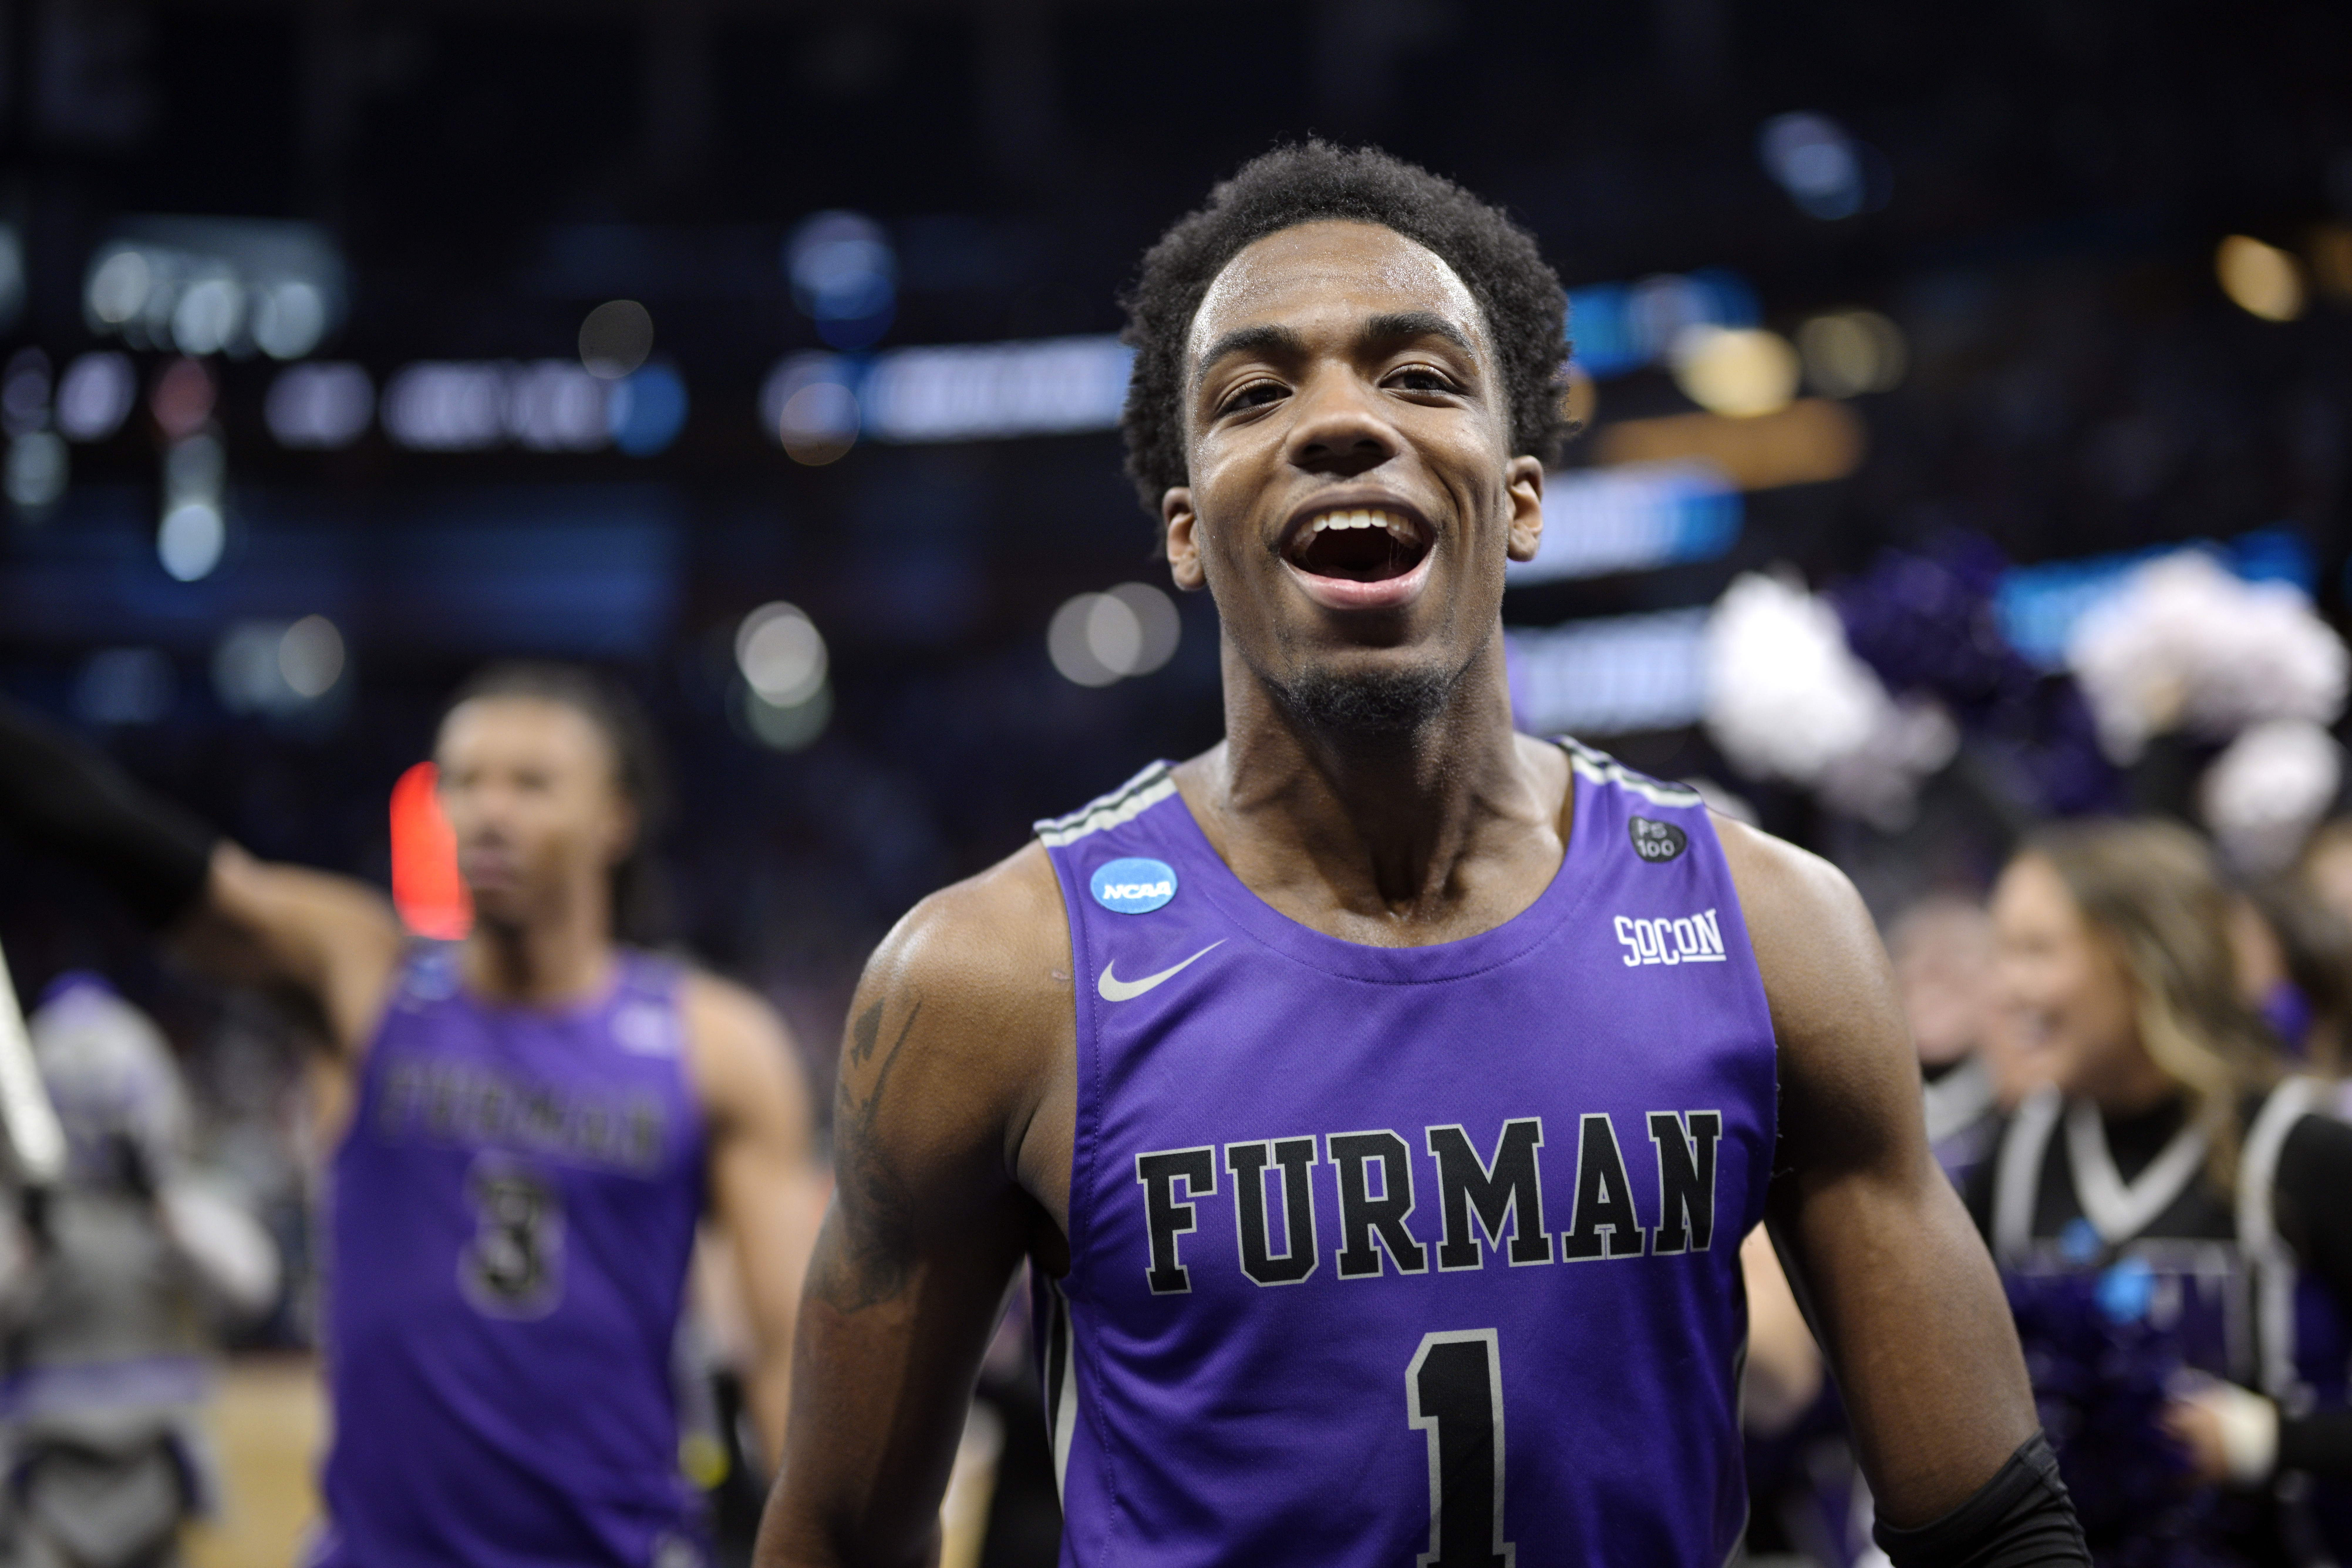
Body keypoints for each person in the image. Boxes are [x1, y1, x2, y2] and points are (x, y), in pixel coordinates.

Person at [761, 142, 2081, 1566]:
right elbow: (835, 1535)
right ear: (1188, 531)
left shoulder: (1775, 931)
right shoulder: (988, 978)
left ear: (1518, 498)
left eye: (1420, 376)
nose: (1340, 422)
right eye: (1256, 393)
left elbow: (1994, 1530)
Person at [0, 663, 824, 1568]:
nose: (487, 812)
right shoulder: (367, 980)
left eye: (531, 783)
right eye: (462, 781)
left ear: (614, 818)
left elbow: (791, 1355)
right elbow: (161, 860)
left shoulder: (713, 1041)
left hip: (615, 1548)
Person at [1975, 818, 2352, 1562]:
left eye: (2036, 950)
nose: (2006, 986)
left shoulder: (2300, 1150)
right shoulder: (2013, 1155)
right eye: (2002, 952)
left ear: (2144, 958)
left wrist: (2265, 1440)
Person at [0, 973, 277, 1568]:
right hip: (45, 1461)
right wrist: (32, 1234)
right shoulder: (26, 1222)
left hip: (157, 1455)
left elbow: (252, 1284)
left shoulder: (175, 1210)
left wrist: (161, 1201)